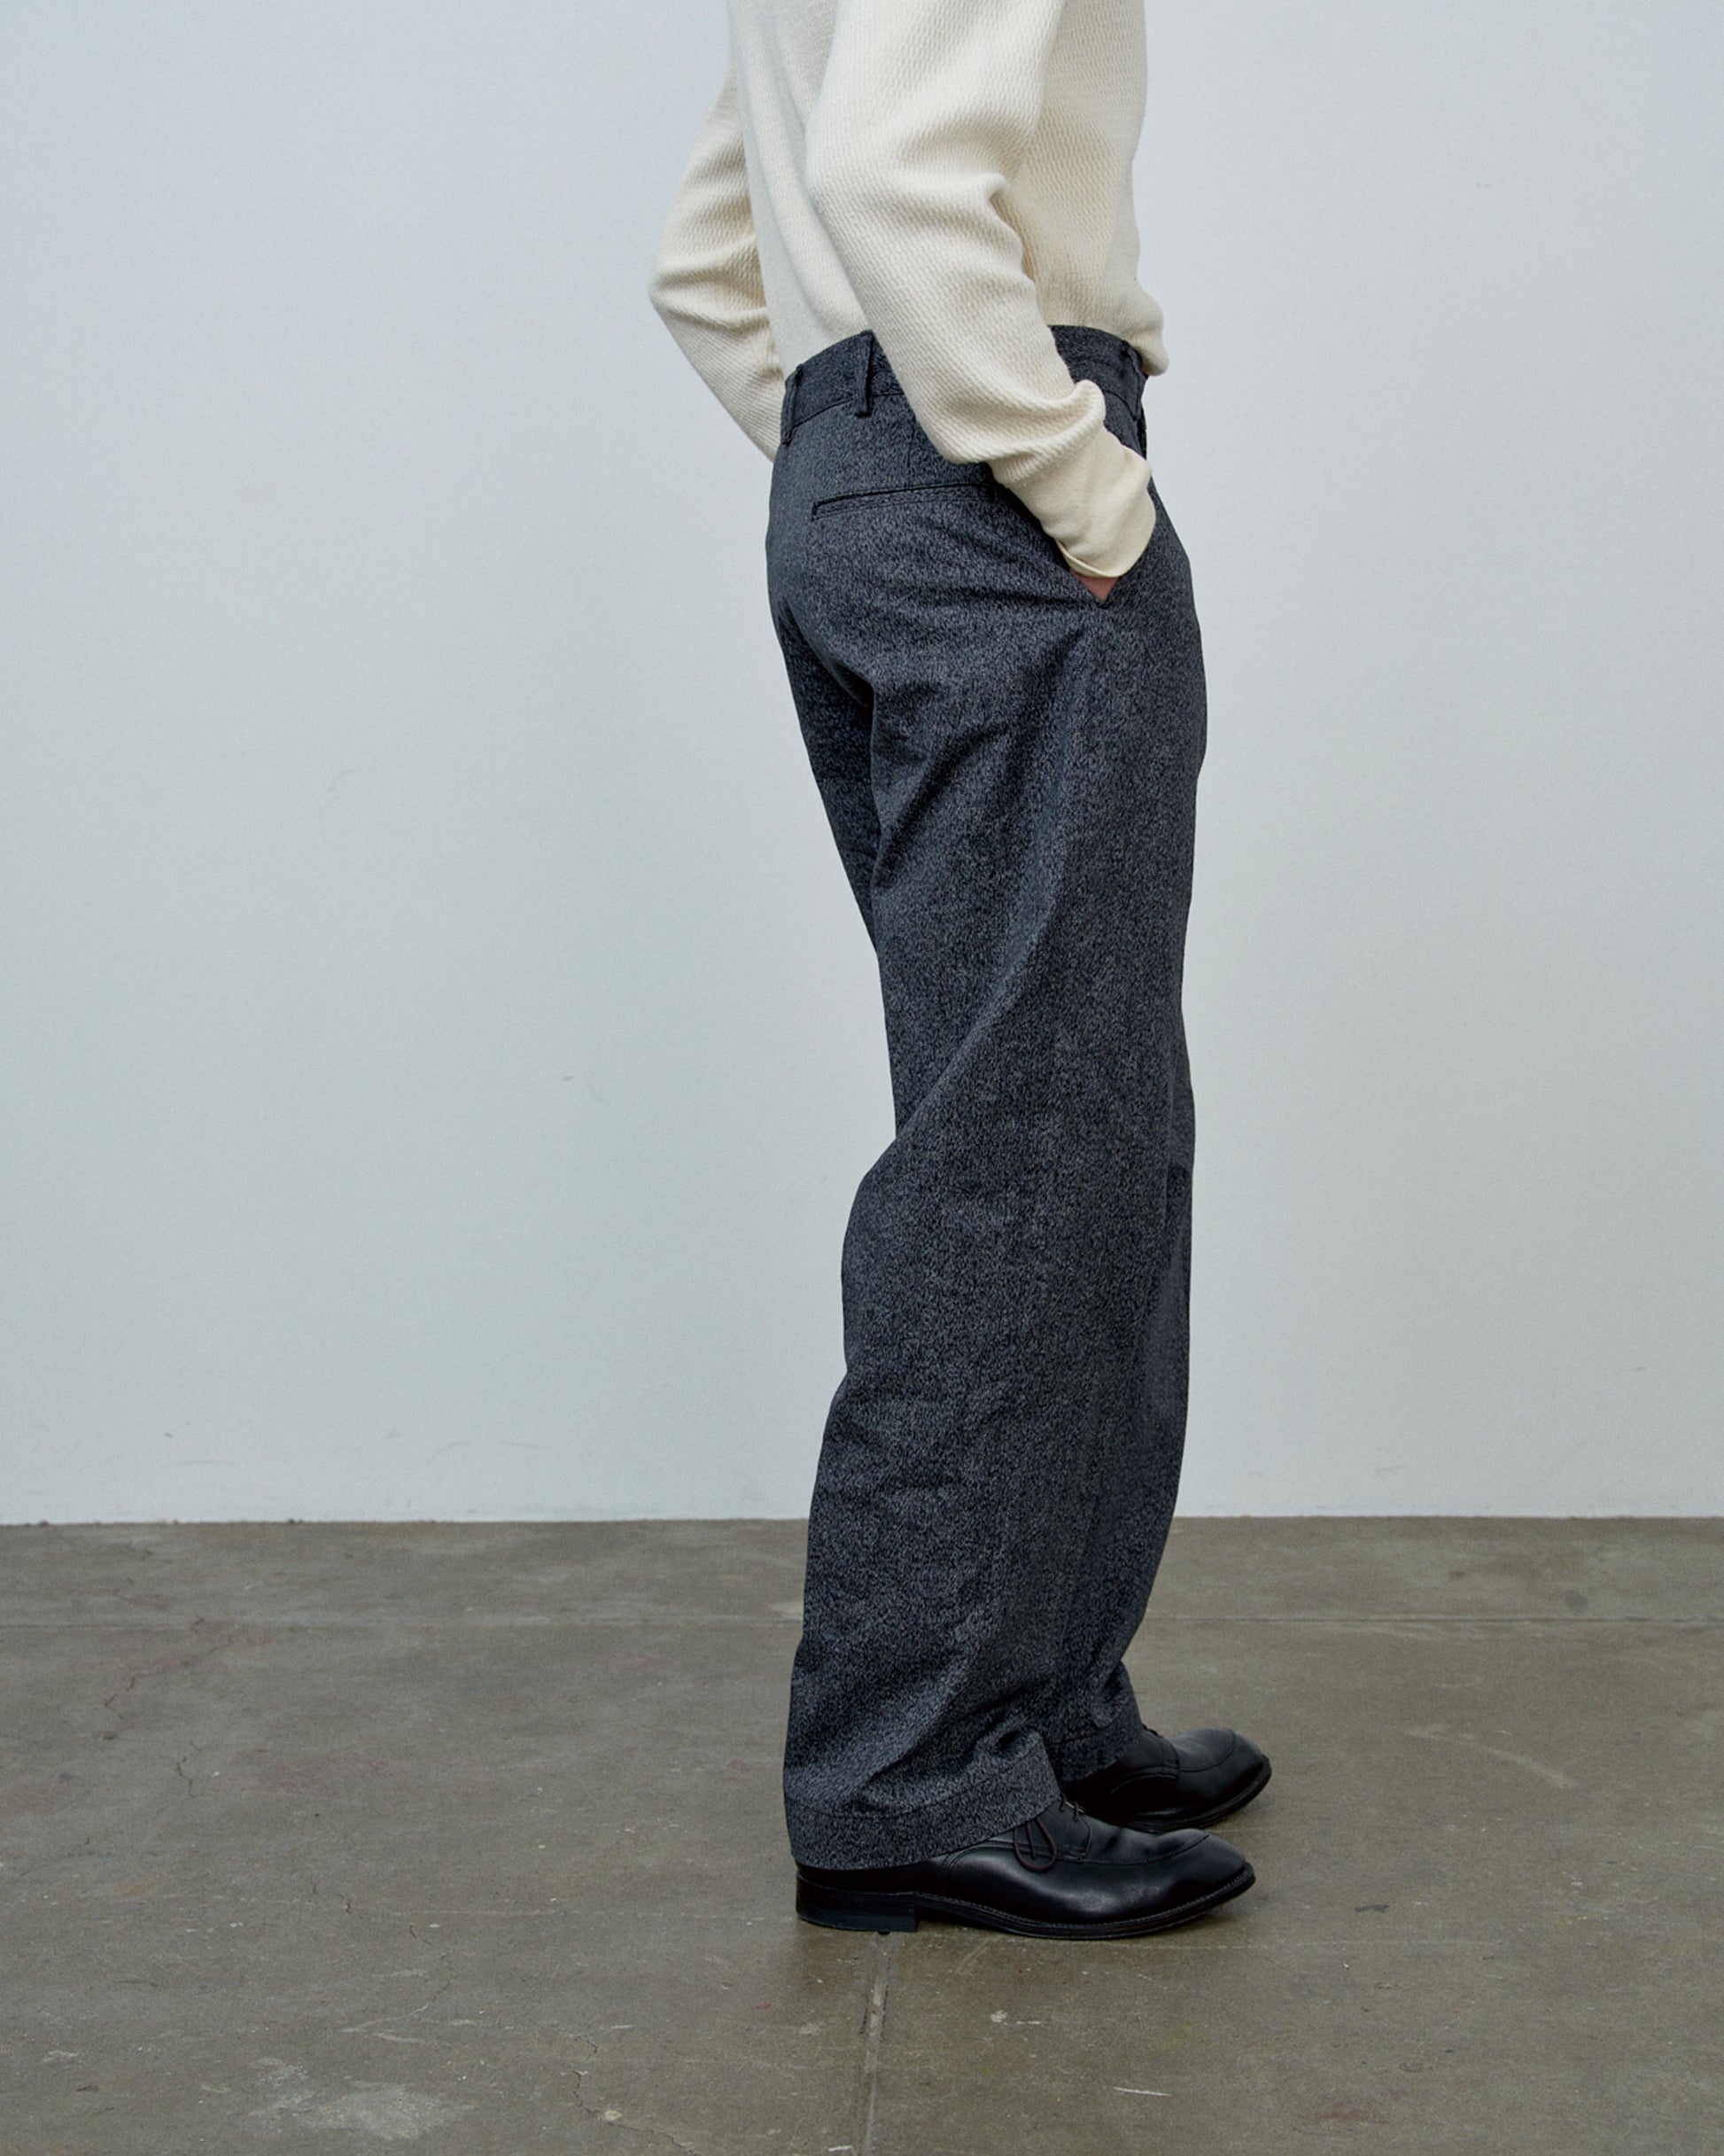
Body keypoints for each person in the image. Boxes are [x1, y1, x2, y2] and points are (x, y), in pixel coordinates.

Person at [647, 0, 1269, 1940]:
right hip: (994, 485)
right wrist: (1072, 485)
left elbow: (709, 259)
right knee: (1024, 1151)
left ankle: (1037, 1706)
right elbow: (886, 173)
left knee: (1076, 1128)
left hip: (877, 474)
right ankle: (907, 1774)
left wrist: (854, 468)